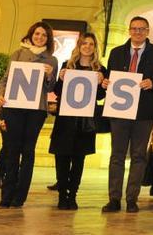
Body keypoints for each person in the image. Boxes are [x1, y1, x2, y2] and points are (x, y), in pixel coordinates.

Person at [102, 16, 153, 213]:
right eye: (134, 28)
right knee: (117, 155)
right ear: (129, 30)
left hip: (144, 112)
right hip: (119, 110)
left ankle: (132, 199)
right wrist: (106, 82)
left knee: (139, 156)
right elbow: (109, 76)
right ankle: (113, 199)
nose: (137, 32)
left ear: (147, 31)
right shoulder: (116, 53)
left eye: (142, 29)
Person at [0, 21, 58, 207]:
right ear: (31, 35)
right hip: (13, 108)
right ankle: (6, 195)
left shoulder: (51, 59)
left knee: (28, 151)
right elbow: (5, 80)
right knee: (12, 151)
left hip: (36, 110)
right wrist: (0, 97)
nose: (40, 37)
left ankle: (20, 197)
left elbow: (51, 88)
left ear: (48, 39)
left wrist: (49, 76)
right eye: (37, 34)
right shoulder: (18, 54)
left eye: (44, 35)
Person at [49, 33, 106, 210]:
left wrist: (102, 84)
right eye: (84, 43)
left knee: (78, 160)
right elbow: (57, 91)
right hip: (65, 119)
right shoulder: (68, 65)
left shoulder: (100, 70)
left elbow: (101, 96)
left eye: (91, 44)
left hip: (85, 121)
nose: (87, 46)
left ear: (95, 47)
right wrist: (60, 78)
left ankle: (72, 195)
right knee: (62, 158)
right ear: (79, 45)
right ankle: (61, 195)